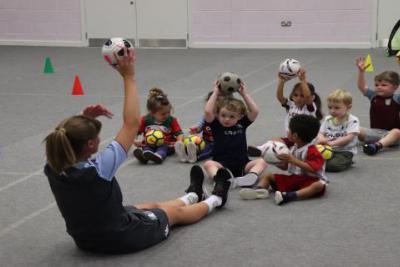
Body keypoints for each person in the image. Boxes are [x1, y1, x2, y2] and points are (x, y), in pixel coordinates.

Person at [43, 49, 230, 254]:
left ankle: (194, 195)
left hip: (87, 237)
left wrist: (82, 118)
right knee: (173, 214)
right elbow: (131, 124)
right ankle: (217, 199)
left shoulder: (54, 162)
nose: (100, 139)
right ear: (89, 145)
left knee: (147, 205)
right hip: (121, 237)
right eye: (96, 137)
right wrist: (128, 77)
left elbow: (66, 133)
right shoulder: (98, 170)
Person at [190, 81, 268, 191]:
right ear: (217, 114)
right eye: (223, 115)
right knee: (208, 164)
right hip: (222, 166)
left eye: (232, 116)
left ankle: (250, 177)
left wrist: (244, 94)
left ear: (240, 116)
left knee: (262, 162)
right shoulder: (215, 124)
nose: (227, 119)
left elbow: (255, 111)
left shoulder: (242, 123)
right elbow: (208, 111)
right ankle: (220, 179)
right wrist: (215, 93)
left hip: (243, 164)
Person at [239, 114, 328, 205]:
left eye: (289, 130)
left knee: (318, 186)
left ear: (295, 135)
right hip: (295, 178)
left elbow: (313, 168)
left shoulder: (312, 150)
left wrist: (293, 160)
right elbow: (285, 167)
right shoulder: (294, 145)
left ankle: (290, 196)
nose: (287, 131)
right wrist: (273, 159)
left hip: (311, 180)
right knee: (268, 176)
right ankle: (259, 190)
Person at [248, 69, 323, 156]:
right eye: (296, 95)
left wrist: (303, 81)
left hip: (304, 141)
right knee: (274, 141)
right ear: (292, 96)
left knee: (289, 152)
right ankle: (260, 150)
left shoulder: (310, 108)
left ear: (312, 97)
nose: (298, 98)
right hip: (291, 139)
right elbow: (280, 97)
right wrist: (281, 82)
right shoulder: (291, 105)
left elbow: (307, 97)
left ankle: (286, 153)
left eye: (302, 96)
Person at [356, 57, 400, 155]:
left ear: (395, 87)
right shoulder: (373, 96)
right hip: (375, 133)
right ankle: (333, 140)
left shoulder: (397, 98)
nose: (379, 87)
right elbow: (362, 86)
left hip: (392, 135)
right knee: (355, 128)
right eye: (376, 85)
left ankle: (376, 146)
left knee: (397, 132)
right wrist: (361, 71)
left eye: (384, 85)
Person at [133, 87, 184, 164]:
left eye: (169, 112)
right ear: (152, 113)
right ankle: (144, 157)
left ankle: (158, 156)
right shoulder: (145, 120)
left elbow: (179, 133)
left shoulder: (171, 120)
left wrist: (179, 141)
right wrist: (134, 141)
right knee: (146, 147)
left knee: (163, 148)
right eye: (163, 114)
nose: (167, 115)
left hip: (167, 144)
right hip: (150, 143)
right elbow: (135, 131)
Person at [317, 89, 360, 172]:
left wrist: (332, 143)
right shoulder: (328, 119)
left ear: (348, 107)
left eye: (337, 108)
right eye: (330, 107)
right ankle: (320, 162)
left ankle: (348, 161)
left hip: (344, 151)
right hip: (327, 148)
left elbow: (349, 138)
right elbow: (320, 132)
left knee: (333, 166)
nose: (332, 110)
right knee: (308, 155)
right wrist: (321, 139)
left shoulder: (353, 120)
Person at [175, 91, 215, 163]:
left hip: (216, 143)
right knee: (193, 141)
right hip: (205, 140)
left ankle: (196, 157)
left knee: (209, 150)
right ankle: (184, 151)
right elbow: (201, 125)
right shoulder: (205, 117)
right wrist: (196, 129)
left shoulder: (222, 118)